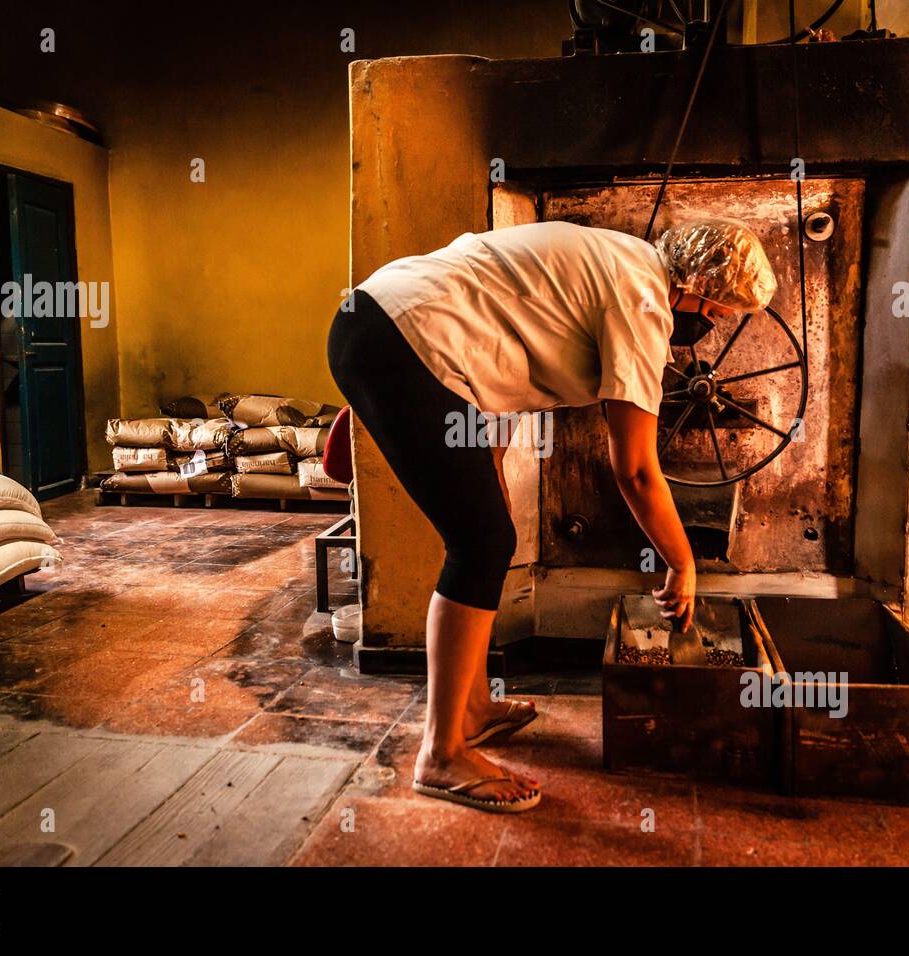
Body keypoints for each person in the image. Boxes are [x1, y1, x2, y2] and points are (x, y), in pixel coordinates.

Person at [327, 218, 776, 813]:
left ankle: (473, 708)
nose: (713, 322)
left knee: (488, 533)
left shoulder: (622, 260)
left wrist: (488, 470)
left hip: (384, 326)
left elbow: (506, 356)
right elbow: (637, 469)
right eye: (716, 308)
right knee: (482, 543)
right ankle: (441, 755)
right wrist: (682, 562)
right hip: (403, 341)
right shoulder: (643, 301)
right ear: (693, 279)